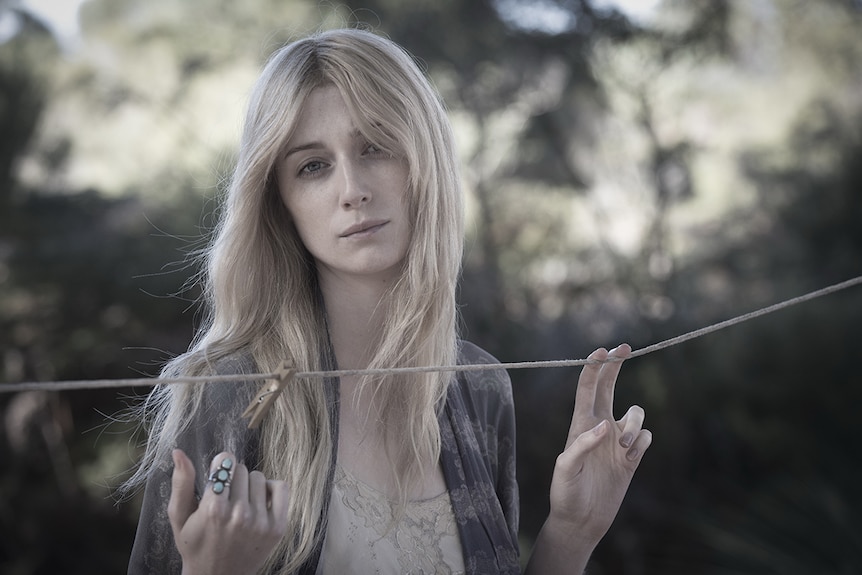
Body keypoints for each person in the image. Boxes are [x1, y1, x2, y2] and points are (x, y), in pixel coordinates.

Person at [123, 27, 652, 575]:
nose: (352, 188)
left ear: (424, 161)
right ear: (280, 204)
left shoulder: (480, 385)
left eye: (375, 146)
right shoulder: (224, 392)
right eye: (312, 166)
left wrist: (572, 533)